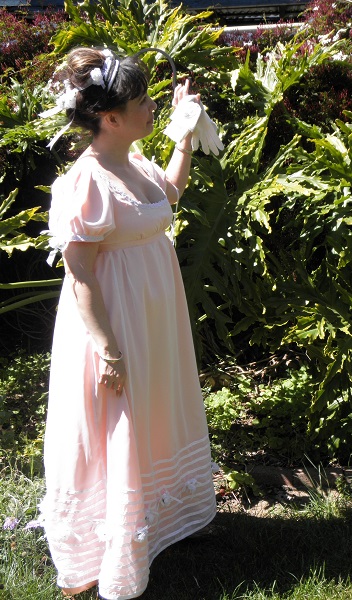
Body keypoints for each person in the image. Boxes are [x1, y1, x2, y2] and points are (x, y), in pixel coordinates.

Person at [40, 47, 217, 599]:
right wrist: (108, 350)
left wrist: (183, 135)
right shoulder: (87, 180)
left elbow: (169, 194)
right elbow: (82, 276)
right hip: (114, 322)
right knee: (118, 423)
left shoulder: (134, 163)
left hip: (154, 313)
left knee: (154, 409)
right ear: (109, 118)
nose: (152, 108)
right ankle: (109, 553)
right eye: (141, 102)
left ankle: (156, 522)